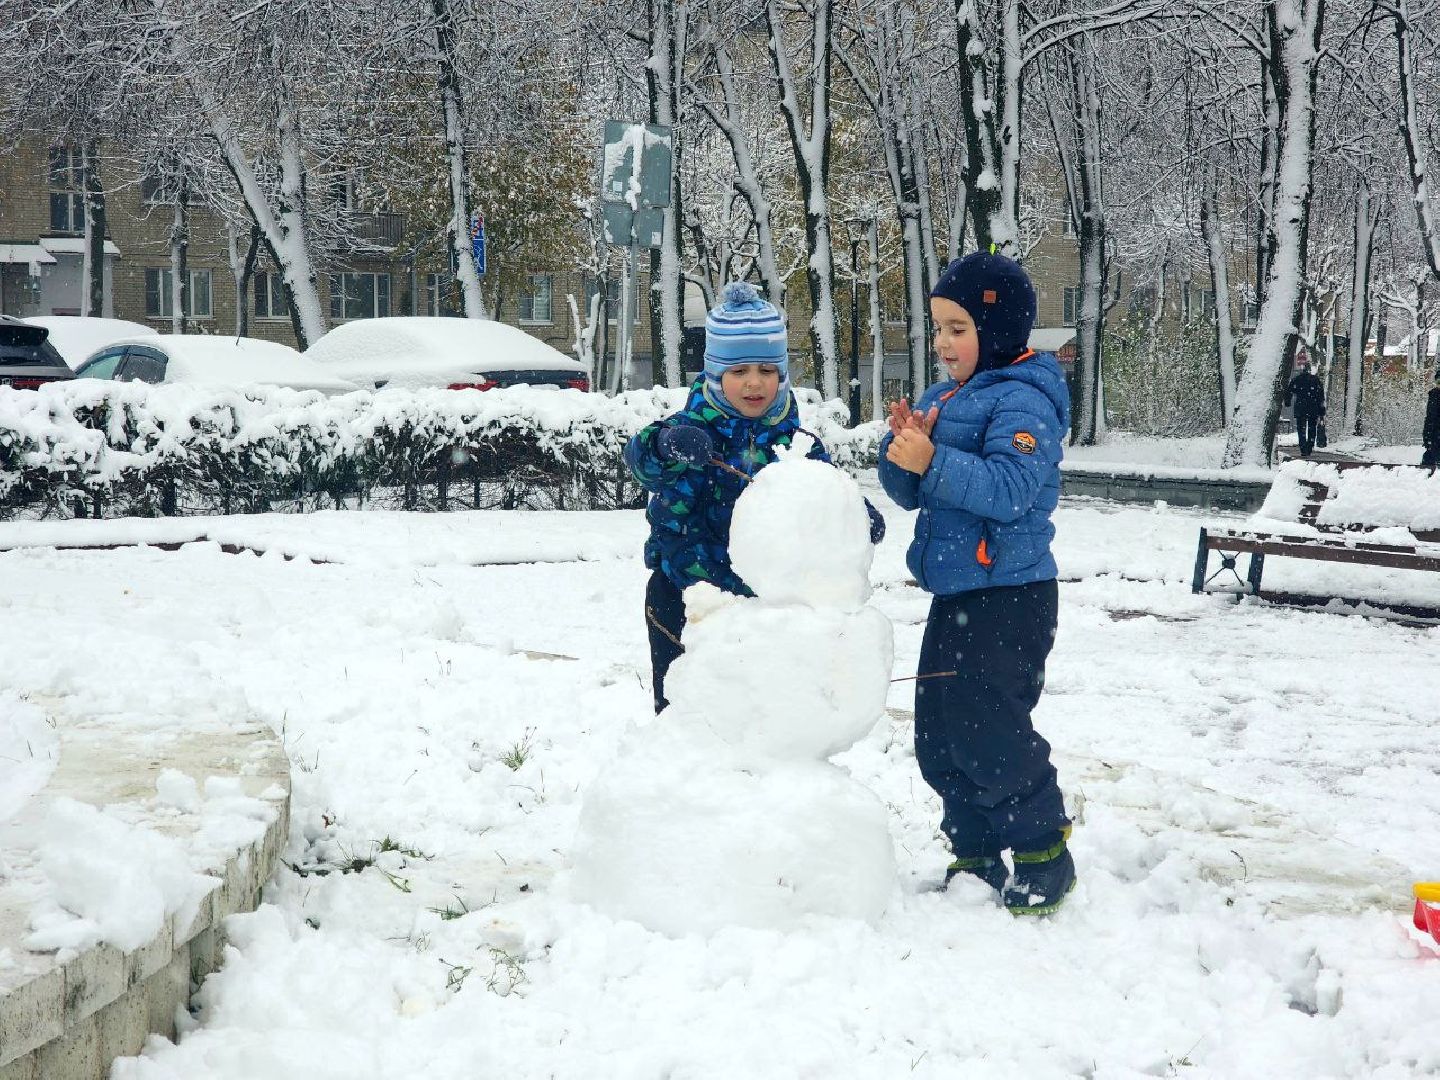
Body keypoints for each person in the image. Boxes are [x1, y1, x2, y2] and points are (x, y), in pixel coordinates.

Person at [878, 252, 1073, 917]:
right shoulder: (942, 399)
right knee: (939, 731)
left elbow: (1011, 490)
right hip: (957, 593)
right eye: (938, 327)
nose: (943, 342)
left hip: (1011, 596)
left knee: (990, 726)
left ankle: (1043, 850)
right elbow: (911, 493)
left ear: (997, 329)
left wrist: (934, 460)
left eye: (957, 328)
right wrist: (904, 450)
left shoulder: (1025, 401)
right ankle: (974, 850)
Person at [625, 281, 886, 714]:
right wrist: (666, 445)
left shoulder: (796, 445)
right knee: (687, 715)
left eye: (766, 370)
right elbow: (642, 462)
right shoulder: (688, 431)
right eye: (739, 371)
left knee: (758, 718)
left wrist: (853, 517)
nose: (754, 382)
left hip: (763, 610)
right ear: (715, 375)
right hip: (686, 596)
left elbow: (823, 493)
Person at [1284, 353, 1326, 457]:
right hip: (1313, 408)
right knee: (1312, 428)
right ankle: (1309, 446)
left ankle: (1303, 447)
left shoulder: (1297, 379)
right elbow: (1321, 397)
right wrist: (1321, 411)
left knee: (1301, 429)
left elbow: (1289, 390)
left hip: (1301, 407)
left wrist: (1287, 401)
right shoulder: (1315, 380)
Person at [1424, 369, 1440, 473]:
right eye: (1438, 382)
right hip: (1434, 436)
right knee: (1428, 465)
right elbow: (1429, 417)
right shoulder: (1433, 394)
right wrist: (1426, 436)